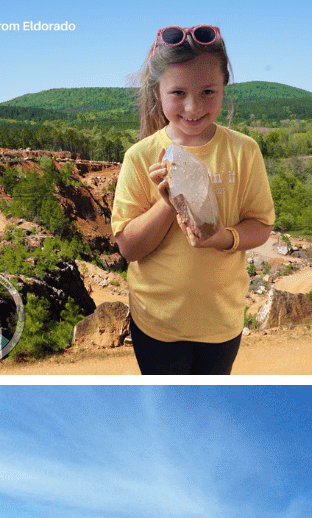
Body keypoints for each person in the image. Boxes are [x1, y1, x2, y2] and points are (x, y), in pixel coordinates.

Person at [112, 26, 275, 375]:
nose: (193, 106)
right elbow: (129, 248)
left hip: (221, 322)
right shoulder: (141, 157)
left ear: (224, 87)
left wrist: (224, 238)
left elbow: (261, 226)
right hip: (157, 323)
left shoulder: (244, 151)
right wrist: (169, 203)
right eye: (178, 92)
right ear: (158, 92)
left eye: (207, 92)